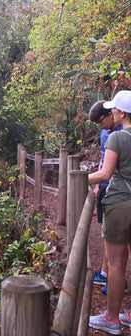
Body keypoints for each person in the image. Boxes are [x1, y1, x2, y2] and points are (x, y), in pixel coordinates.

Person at [88, 90, 131, 335]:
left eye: (114, 108)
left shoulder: (117, 138)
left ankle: (112, 319)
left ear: (121, 112)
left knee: (116, 265)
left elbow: (105, 174)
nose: (111, 112)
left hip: (120, 203)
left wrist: (80, 178)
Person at [89, 101, 123, 292]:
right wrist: (97, 185)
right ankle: (105, 273)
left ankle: (115, 279)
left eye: (101, 122)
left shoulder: (122, 133)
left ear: (112, 114)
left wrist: (81, 179)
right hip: (105, 186)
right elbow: (103, 158)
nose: (100, 126)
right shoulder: (105, 133)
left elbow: (109, 170)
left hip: (119, 190)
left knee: (120, 240)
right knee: (107, 234)